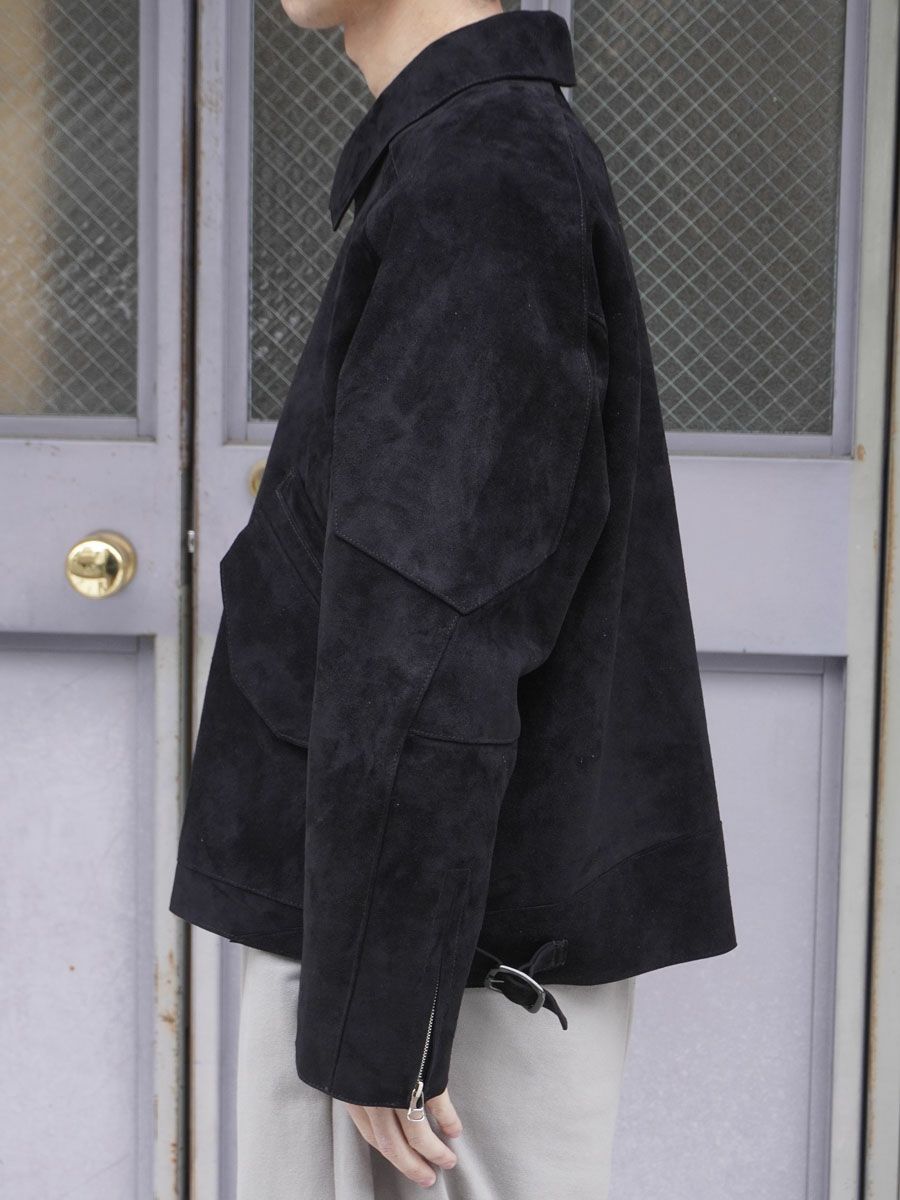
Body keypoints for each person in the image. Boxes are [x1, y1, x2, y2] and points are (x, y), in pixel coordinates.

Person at [168, 2, 738, 1196]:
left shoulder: (481, 177)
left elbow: (428, 626)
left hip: (444, 968)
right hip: (423, 938)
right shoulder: (470, 155)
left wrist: (382, 1017)